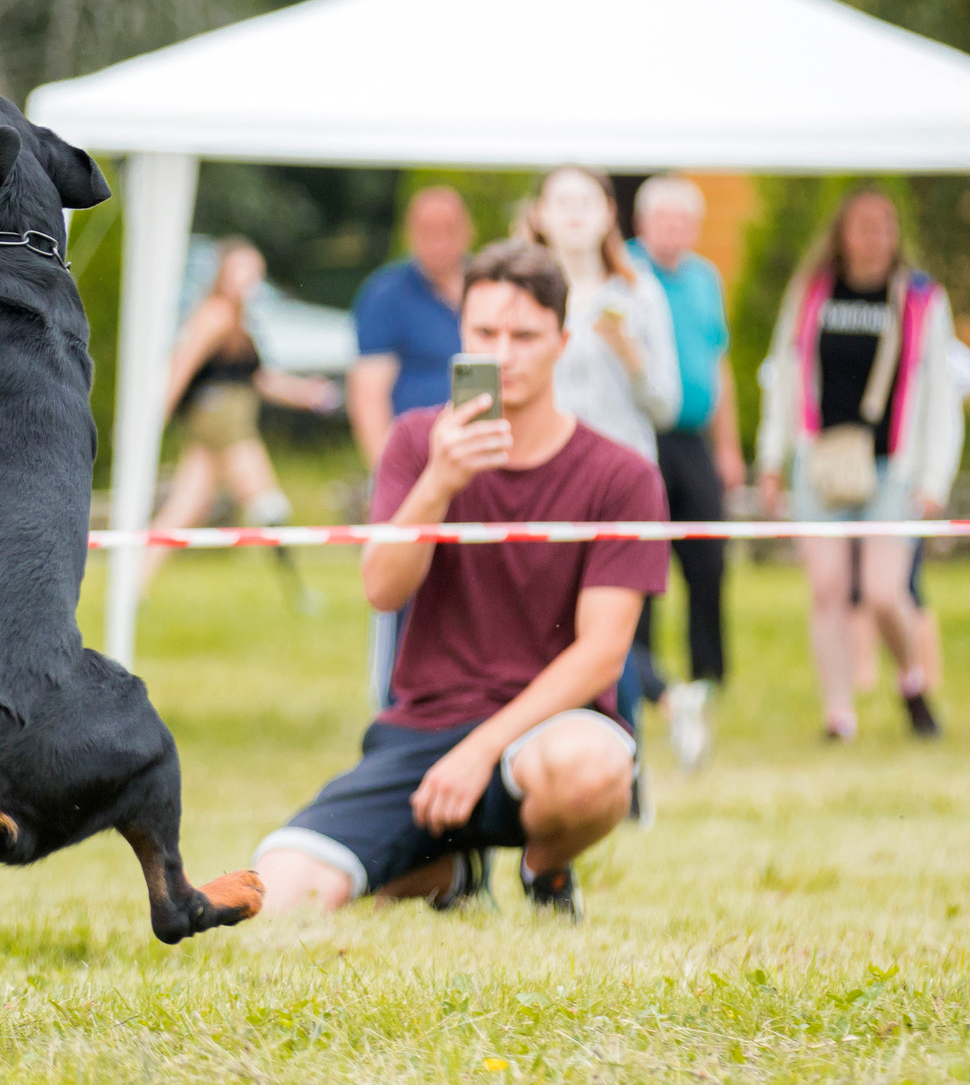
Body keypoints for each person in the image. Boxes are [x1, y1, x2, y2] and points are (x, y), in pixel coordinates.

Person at [253, 240, 665, 919]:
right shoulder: (418, 442)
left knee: (594, 771)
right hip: (421, 733)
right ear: (461, 335)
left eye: (525, 335)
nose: (503, 353)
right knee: (279, 899)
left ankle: (545, 868)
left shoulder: (622, 475)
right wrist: (440, 483)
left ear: (562, 342)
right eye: (485, 333)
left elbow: (602, 654)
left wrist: (481, 750)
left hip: (550, 734)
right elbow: (382, 590)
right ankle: (450, 871)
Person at [755, 189, 964, 742]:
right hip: (820, 461)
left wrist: (933, 478)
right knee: (826, 587)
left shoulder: (921, 300)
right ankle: (838, 715)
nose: (876, 235)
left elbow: (941, 393)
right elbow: (784, 373)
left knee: (882, 591)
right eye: (864, 225)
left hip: (891, 467)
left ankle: (912, 680)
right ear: (842, 232)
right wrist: (770, 459)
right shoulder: (812, 293)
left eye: (885, 225)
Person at [520, 166, 679, 736]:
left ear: (610, 213)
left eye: (587, 199)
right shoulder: (521, 295)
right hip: (542, 483)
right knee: (541, 626)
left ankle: (624, 764)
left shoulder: (638, 291)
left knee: (616, 632)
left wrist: (629, 353)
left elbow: (668, 404)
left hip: (620, 488)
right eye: (560, 199)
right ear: (538, 213)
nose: (573, 212)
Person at [627, 175, 745, 768]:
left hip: (693, 437)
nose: (673, 230)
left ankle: (708, 674)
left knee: (708, 557)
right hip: (640, 435)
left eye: (683, 221)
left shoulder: (705, 279)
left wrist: (729, 446)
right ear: (644, 223)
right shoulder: (624, 271)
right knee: (642, 558)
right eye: (663, 219)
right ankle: (642, 672)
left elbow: (718, 364)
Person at [348, 187, 474, 706]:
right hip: (416, 468)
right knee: (399, 588)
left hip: (481, 463)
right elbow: (368, 393)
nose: (437, 241)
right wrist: (390, 473)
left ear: (466, 231)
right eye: (426, 230)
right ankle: (396, 703)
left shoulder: (486, 289)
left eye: (447, 229)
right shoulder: (386, 294)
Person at [151, 238, 339, 545]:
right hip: (223, 422)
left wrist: (305, 393)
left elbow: (257, 379)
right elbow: (180, 366)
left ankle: (133, 584)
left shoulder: (240, 321)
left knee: (184, 511)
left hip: (220, 425)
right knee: (269, 505)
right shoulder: (215, 314)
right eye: (240, 268)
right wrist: (155, 421)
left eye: (253, 269)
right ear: (223, 273)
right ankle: (298, 590)